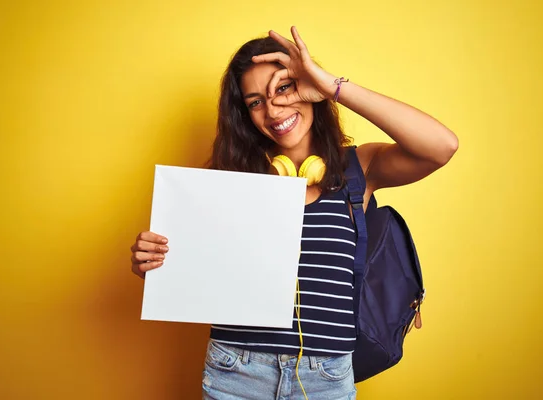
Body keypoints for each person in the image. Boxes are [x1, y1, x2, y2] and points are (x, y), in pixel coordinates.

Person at [130, 26, 458, 400]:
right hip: (235, 371)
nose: (272, 110)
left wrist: (332, 86)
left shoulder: (359, 169)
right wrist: (153, 261)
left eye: (283, 88)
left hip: (327, 377)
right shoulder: (227, 181)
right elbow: (189, 272)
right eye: (255, 102)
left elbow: (441, 146)